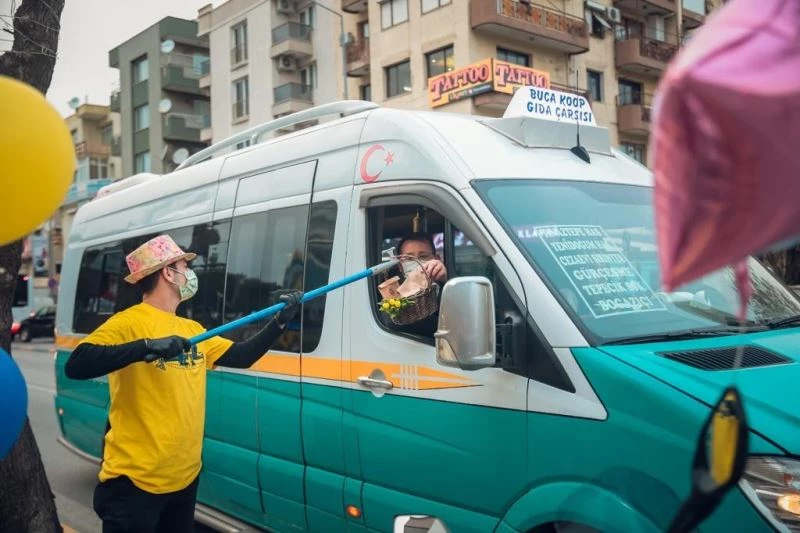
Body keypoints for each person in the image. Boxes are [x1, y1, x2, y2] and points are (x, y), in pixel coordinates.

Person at [64, 234, 303, 533]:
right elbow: (78, 364)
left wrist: (280, 322)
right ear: (167, 272)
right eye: (183, 266)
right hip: (134, 484)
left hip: (184, 479)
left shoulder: (191, 329)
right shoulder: (129, 322)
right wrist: (146, 346)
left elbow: (242, 356)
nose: (189, 274)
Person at [384, 232, 448, 337]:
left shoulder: (447, 286)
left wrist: (445, 281)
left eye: (423, 256)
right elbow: (390, 325)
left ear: (436, 259)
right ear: (400, 265)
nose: (416, 262)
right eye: (409, 258)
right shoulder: (393, 294)